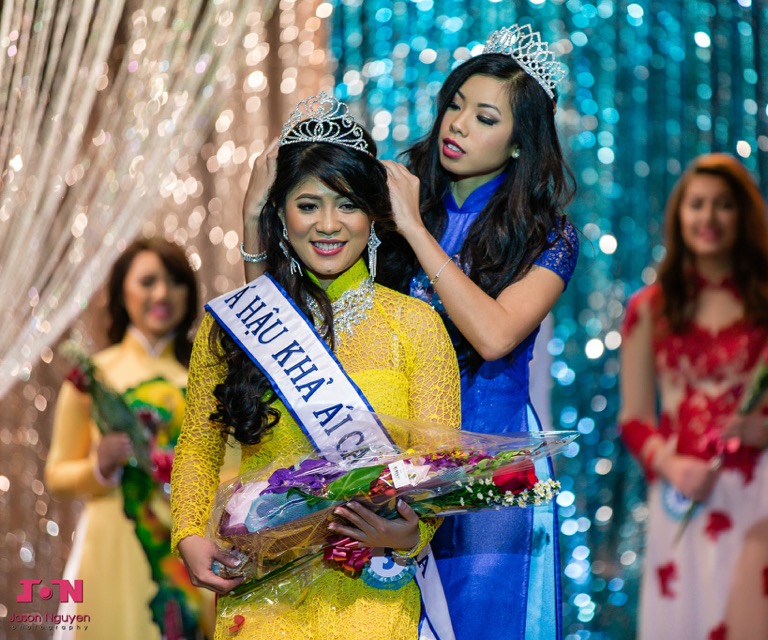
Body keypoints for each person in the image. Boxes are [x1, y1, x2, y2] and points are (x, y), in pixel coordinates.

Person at [238, 24, 578, 640]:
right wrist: (254, 224)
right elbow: (293, 314)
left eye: (483, 117)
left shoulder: (547, 236)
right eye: (454, 106)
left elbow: (495, 336)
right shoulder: (398, 187)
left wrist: (417, 233)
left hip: (483, 462)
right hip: (375, 448)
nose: (457, 125)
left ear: (521, 143)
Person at [170, 93, 461, 640]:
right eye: (308, 205)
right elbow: (197, 446)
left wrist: (407, 534)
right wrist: (188, 532)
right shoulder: (237, 324)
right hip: (261, 597)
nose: (328, 224)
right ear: (280, 215)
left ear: (373, 218)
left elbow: (438, 471)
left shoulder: (416, 325)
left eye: (347, 204)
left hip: (370, 597)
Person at [618, 153, 768, 640]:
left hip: (762, 492)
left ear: (743, 216)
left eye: (723, 205)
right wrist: (673, 465)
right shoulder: (650, 308)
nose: (707, 218)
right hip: (683, 490)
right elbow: (634, 418)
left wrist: (767, 430)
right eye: (696, 204)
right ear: (679, 215)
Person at [45, 237, 211, 640]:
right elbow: (57, 475)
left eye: (174, 281)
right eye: (147, 281)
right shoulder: (92, 376)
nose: (162, 293)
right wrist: (100, 465)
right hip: (111, 547)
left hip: (188, 546)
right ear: (122, 291)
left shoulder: (207, 377)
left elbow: (229, 470)